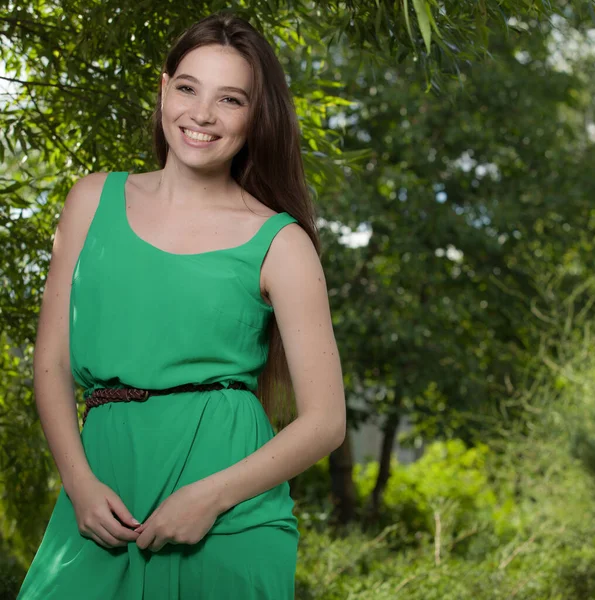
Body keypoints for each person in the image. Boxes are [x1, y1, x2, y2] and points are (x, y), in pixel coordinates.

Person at [17, 11, 346, 600]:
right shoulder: (91, 200)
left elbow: (325, 423)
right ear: (164, 89)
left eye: (230, 99)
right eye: (189, 88)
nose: (202, 114)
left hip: (229, 514)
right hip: (101, 496)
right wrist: (79, 483)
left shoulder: (281, 243)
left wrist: (209, 498)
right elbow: (51, 364)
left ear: (255, 116)